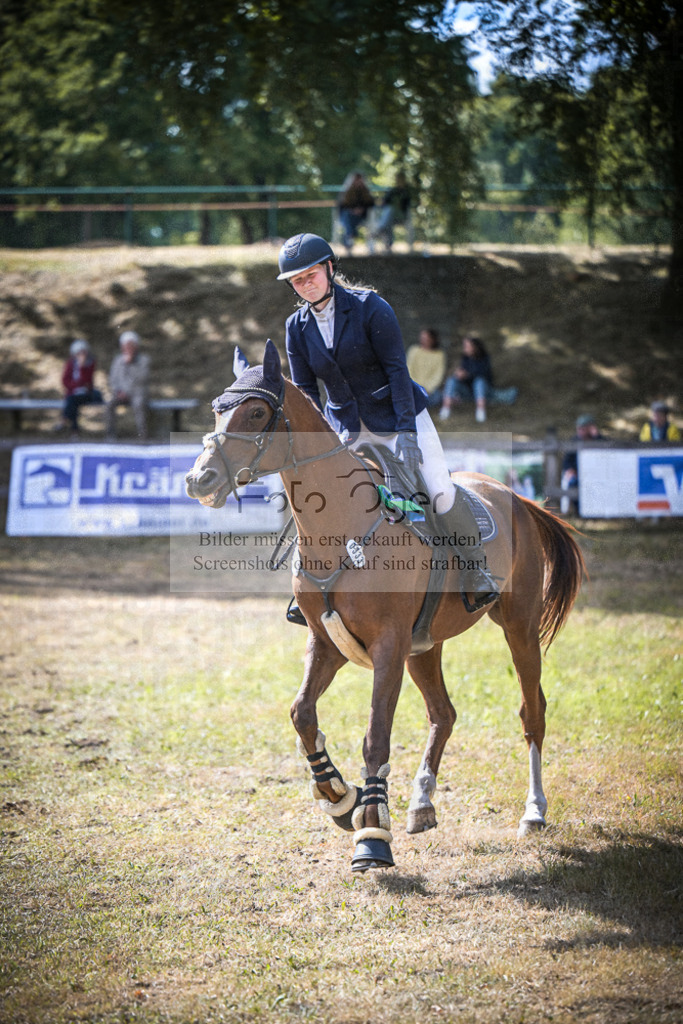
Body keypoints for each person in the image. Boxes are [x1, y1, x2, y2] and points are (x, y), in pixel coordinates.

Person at [276, 231, 499, 623]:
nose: (305, 284)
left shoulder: (370, 308)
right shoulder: (297, 327)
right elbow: (307, 393)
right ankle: (309, 587)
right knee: (317, 498)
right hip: (346, 426)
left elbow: (398, 372)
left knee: (439, 492)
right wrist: (316, 449)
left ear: (329, 268)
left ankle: (476, 569)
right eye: (297, 280)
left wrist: (407, 436)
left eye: (310, 275)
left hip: (400, 416)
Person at [439, 335, 517, 424]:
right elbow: (463, 375)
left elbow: (483, 375)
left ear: (474, 347)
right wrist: (459, 375)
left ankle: (480, 410)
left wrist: (467, 374)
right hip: (468, 391)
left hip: (484, 391)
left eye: (467, 346)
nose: (465, 348)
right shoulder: (465, 358)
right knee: (452, 380)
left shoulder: (484, 358)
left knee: (479, 382)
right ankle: (446, 408)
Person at [52, 338, 103, 436]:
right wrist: (75, 386)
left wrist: (82, 367)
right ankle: (74, 429)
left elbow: (87, 381)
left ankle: (65, 420)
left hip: (87, 393)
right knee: (72, 401)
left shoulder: (90, 363)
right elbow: (65, 380)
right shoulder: (70, 364)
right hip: (73, 393)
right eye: (79, 353)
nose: (81, 355)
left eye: (83, 352)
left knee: (72, 401)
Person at [105, 330, 151, 439]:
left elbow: (142, 379)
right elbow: (113, 379)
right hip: (120, 393)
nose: (128, 348)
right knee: (109, 404)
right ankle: (110, 434)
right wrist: (118, 391)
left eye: (130, 345)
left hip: (137, 393)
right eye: (125, 346)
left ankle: (142, 435)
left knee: (139, 404)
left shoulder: (144, 360)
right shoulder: (118, 361)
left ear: (136, 346)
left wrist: (132, 364)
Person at [560, 413, 604, 514]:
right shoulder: (574, 441)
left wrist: (596, 437)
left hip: (597, 473)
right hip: (578, 474)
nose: (580, 431)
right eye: (579, 428)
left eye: (583, 428)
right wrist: (570, 470)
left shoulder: (599, 440)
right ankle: (579, 512)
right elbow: (567, 461)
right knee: (573, 483)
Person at [372, 171, 413, 251]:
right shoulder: (392, 191)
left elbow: (407, 205)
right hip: (390, 216)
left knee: (390, 212)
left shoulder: (407, 192)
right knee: (389, 216)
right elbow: (384, 202)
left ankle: (380, 230)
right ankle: (388, 243)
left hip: (401, 215)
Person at [406, 328, 446, 407]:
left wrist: (427, 388)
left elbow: (438, 375)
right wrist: (414, 386)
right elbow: (408, 368)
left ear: (432, 340)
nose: (423, 340)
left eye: (426, 338)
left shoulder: (439, 355)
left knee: (437, 397)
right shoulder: (414, 350)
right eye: (422, 338)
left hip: (428, 390)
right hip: (412, 386)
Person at [336, 172, 375, 253]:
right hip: (347, 216)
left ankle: (349, 237)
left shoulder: (365, 192)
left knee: (349, 219)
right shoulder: (346, 192)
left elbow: (371, 204)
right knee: (348, 216)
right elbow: (341, 206)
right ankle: (351, 235)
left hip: (360, 217)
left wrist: (361, 209)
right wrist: (352, 210)